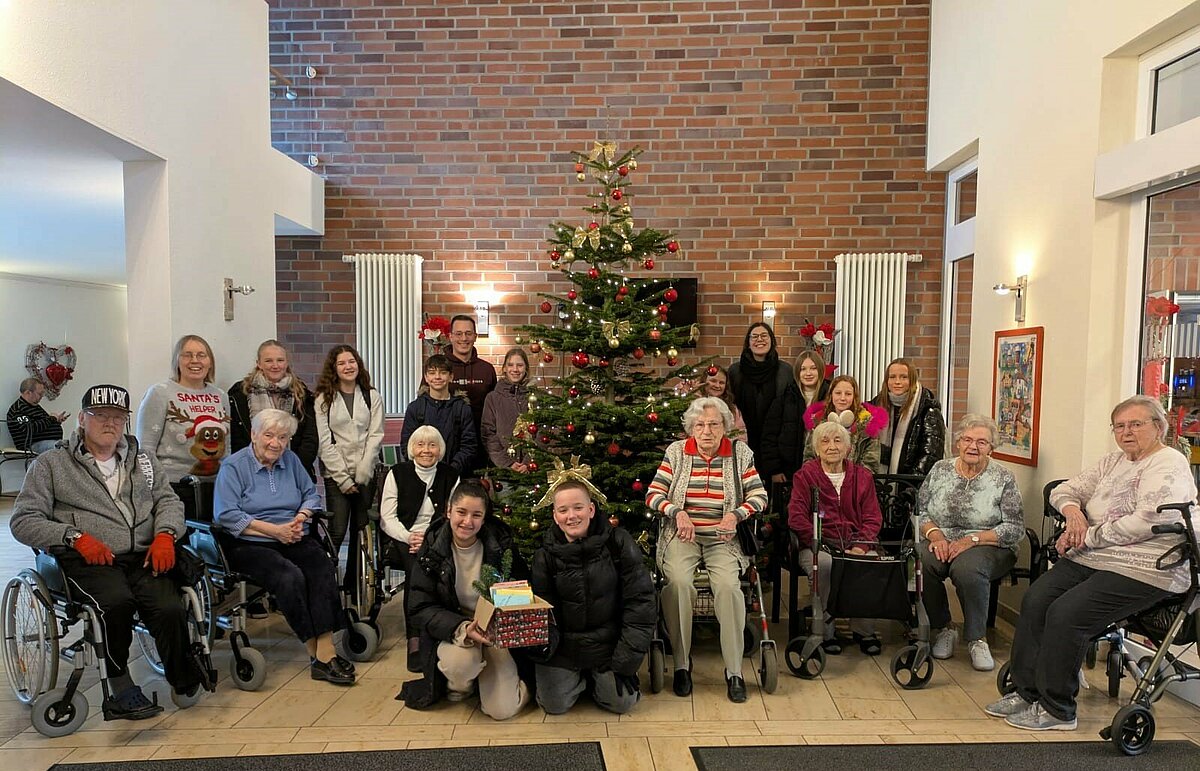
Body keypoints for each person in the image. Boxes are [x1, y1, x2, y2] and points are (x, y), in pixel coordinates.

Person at [986, 395, 1197, 731]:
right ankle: (1027, 693)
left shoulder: (1169, 464)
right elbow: (1065, 490)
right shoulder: (1113, 461)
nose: (1126, 432)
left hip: (1146, 566)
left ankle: (1058, 709)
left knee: (1066, 613)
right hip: (1094, 555)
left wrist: (1089, 535)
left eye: (1136, 424)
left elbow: (1148, 521)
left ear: (1158, 427)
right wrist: (1073, 514)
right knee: (1037, 598)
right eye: (1119, 426)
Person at [10, 383, 200, 719]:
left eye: (117, 416)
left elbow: (168, 500)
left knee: (169, 606)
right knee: (115, 603)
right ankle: (120, 682)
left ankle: (182, 674)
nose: (110, 423)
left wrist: (166, 534)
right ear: (82, 418)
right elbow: (23, 521)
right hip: (87, 558)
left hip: (142, 554)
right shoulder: (52, 464)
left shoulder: (142, 459)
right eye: (100, 416)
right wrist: (72, 536)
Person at [213, 408, 354, 686]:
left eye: (283, 437)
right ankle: (317, 653)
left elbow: (310, 496)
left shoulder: (289, 460)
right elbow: (226, 514)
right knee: (289, 576)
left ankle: (325, 651)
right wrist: (274, 531)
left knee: (321, 566)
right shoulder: (233, 467)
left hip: (291, 534)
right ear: (253, 435)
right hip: (249, 542)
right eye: (268, 435)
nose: (276, 443)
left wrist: (299, 519)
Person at [646, 396, 767, 703]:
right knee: (679, 584)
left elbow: (759, 496)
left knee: (728, 587)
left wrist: (735, 515)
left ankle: (735, 671)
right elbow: (653, 494)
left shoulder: (740, 454)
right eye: (700, 425)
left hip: (723, 538)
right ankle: (683, 665)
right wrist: (677, 512)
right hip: (682, 535)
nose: (707, 431)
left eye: (714, 424)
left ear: (725, 426)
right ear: (691, 428)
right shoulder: (676, 452)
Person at [531, 475, 656, 715]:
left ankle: (598, 681)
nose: (572, 516)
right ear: (555, 516)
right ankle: (577, 681)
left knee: (622, 703)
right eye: (563, 510)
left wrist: (625, 660)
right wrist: (545, 650)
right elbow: (543, 610)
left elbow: (640, 604)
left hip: (607, 644)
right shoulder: (544, 556)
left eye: (578, 507)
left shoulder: (618, 543)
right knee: (554, 705)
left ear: (591, 509)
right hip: (565, 648)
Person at [405, 481, 531, 719]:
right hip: (457, 631)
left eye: (476, 515)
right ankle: (463, 685)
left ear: (484, 519)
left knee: (502, 711)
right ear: (448, 511)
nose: (467, 522)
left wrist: (504, 620)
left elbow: (522, 587)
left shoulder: (500, 545)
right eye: (461, 512)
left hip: (494, 632)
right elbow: (419, 607)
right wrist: (461, 628)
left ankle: (513, 684)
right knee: (462, 665)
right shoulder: (432, 549)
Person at [917, 415, 1023, 671]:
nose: (973, 447)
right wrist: (935, 535)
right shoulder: (940, 469)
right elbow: (920, 511)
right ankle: (944, 628)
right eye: (967, 439)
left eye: (981, 442)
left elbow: (1014, 528)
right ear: (958, 443)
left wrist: (972, 540)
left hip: (988, 543)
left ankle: (977, 639)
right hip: (941, 539)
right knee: (917, 561)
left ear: (991, 447)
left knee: (966, 569)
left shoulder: (1003, 478)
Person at [788, 420, 884, 655]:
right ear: (816, 448)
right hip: (818, 544)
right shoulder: (805, 476)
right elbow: (796, 517)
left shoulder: (863, 477)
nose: (832, 446)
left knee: (866, 562)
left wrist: (861, 546)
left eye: (838, 440)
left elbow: (873, 518)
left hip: (855, 543)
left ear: (848, 448)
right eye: (825, 441)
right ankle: (824, 631)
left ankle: (864, 630)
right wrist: (821, 543)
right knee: (825, 564)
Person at [378, 424, 460, 671]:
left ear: (440, 449)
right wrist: (409, 536)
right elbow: (386, 517)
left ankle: (444, 630)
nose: (426, 450)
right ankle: (416, 639)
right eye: (420, 445)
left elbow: (453, 514)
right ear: (412, 449)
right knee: (418, 572)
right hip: (405, 539)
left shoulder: (450, 475)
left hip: (439, 537)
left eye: (432, 445)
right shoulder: (398, 473)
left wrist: (431, 537)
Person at [136, 335, 230, 521]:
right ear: (177, 361)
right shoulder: (160, 393)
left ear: (210, 362)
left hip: (216, 488)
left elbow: (227, 447)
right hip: (173, 488)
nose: (195, 361)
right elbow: (145, 450)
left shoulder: (220, 396)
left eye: (201, 355)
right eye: (187, 355)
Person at [314, 344, 384, 552]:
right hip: (336, 475)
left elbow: (376, 435)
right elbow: (324, 442)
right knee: (337, 530)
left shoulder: (372, 396)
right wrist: (343, 478)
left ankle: (353, 583)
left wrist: (364, 470)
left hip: (366, 472)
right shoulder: (323, 399)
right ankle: (327, 578)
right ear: (333, 368)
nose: (348, 367)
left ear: (358, 364)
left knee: (360, 531)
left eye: (351, 361)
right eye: (341, 363)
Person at [228, 339, 319, 481]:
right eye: (269, 361)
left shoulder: (302, 394)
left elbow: (310, 438)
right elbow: (236, 438)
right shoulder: (239, 394)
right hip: (251, 474)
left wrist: (293, 468)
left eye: (280, 360)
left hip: (293, 474)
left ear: (287, 363)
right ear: (259, 363)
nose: (275, 365)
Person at [760, 350, 831, 488]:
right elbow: (769, 438)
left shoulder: (831, 399)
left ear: (821, 370)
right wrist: (775, 470)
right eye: (803, 369)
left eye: (813, 368)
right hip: (788, 474)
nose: (808, 373)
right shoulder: (784, 399)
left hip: (824, 472)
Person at [401, 354, 478, 476]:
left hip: (455, 475)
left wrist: (451, 470)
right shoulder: (415, 408)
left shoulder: (462, 408)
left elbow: (469, 446)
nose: (437, 377)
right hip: (421, 474)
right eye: (432, 373)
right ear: (426, 377)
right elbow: (407, 444)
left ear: (451, 376)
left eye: (443, 372)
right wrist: (424, 467)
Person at [727, 322, 794, 457]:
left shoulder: (785, 371)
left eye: (764, 335)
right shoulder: (735, 371)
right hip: (742, 441)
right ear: (748, 342)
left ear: (772, 340)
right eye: (754, 336)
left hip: (776, 443)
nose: (759, 339)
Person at [874, 358, 946, 476]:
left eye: (903, 377)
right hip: (880, 484)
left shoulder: (928, 410)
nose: (897, 381)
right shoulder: (876, 406)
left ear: (912, 380)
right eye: (892, 377)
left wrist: (910, 489)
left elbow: (930, 456)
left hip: (912, 485)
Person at [803, 375, 888, 470]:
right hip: (821, 482)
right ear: (831, 395)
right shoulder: (817, 422)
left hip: (855, 482)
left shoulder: (868, 425)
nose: (842, 398)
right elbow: (808, 459)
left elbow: (871, 466)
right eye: (838, 393)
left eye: (848, 394)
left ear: (854, 397)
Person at [446, 314, 497, 472]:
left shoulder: (486, 370)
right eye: (459, 333)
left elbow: (495, 410)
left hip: (480, 448)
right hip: (446, 448)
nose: (464, 338)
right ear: (450, 337)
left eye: (468, 333)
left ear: (475, 336)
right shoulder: (439, 368)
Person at [480, 348, 531, 472]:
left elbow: (542, 432)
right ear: (504, 368)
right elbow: (488, 434)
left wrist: (528, 462)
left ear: (526, 369)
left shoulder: (535, 397)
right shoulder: (493, 398)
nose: (515, 369)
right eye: (510, 365)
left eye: (519, 365)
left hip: (531, 470)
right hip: (502, 471)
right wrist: (507, 463)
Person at [7, 377, 68, 453]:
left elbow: (45, 423)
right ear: (28, 392)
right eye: (40, 393)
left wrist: (57, 421)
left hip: (48, 442)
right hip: (31, 445)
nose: (42, 396)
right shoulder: (18, 409)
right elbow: (29, 429)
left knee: (71, 446)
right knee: (62, 448)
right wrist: (51, 418)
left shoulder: (35, 406)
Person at [702, 364, 745, 438]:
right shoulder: (693, 404)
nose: (717, 385)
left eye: (721, 383)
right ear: (704, 381)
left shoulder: (732, 409)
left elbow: (741, 434)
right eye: (713, 381)